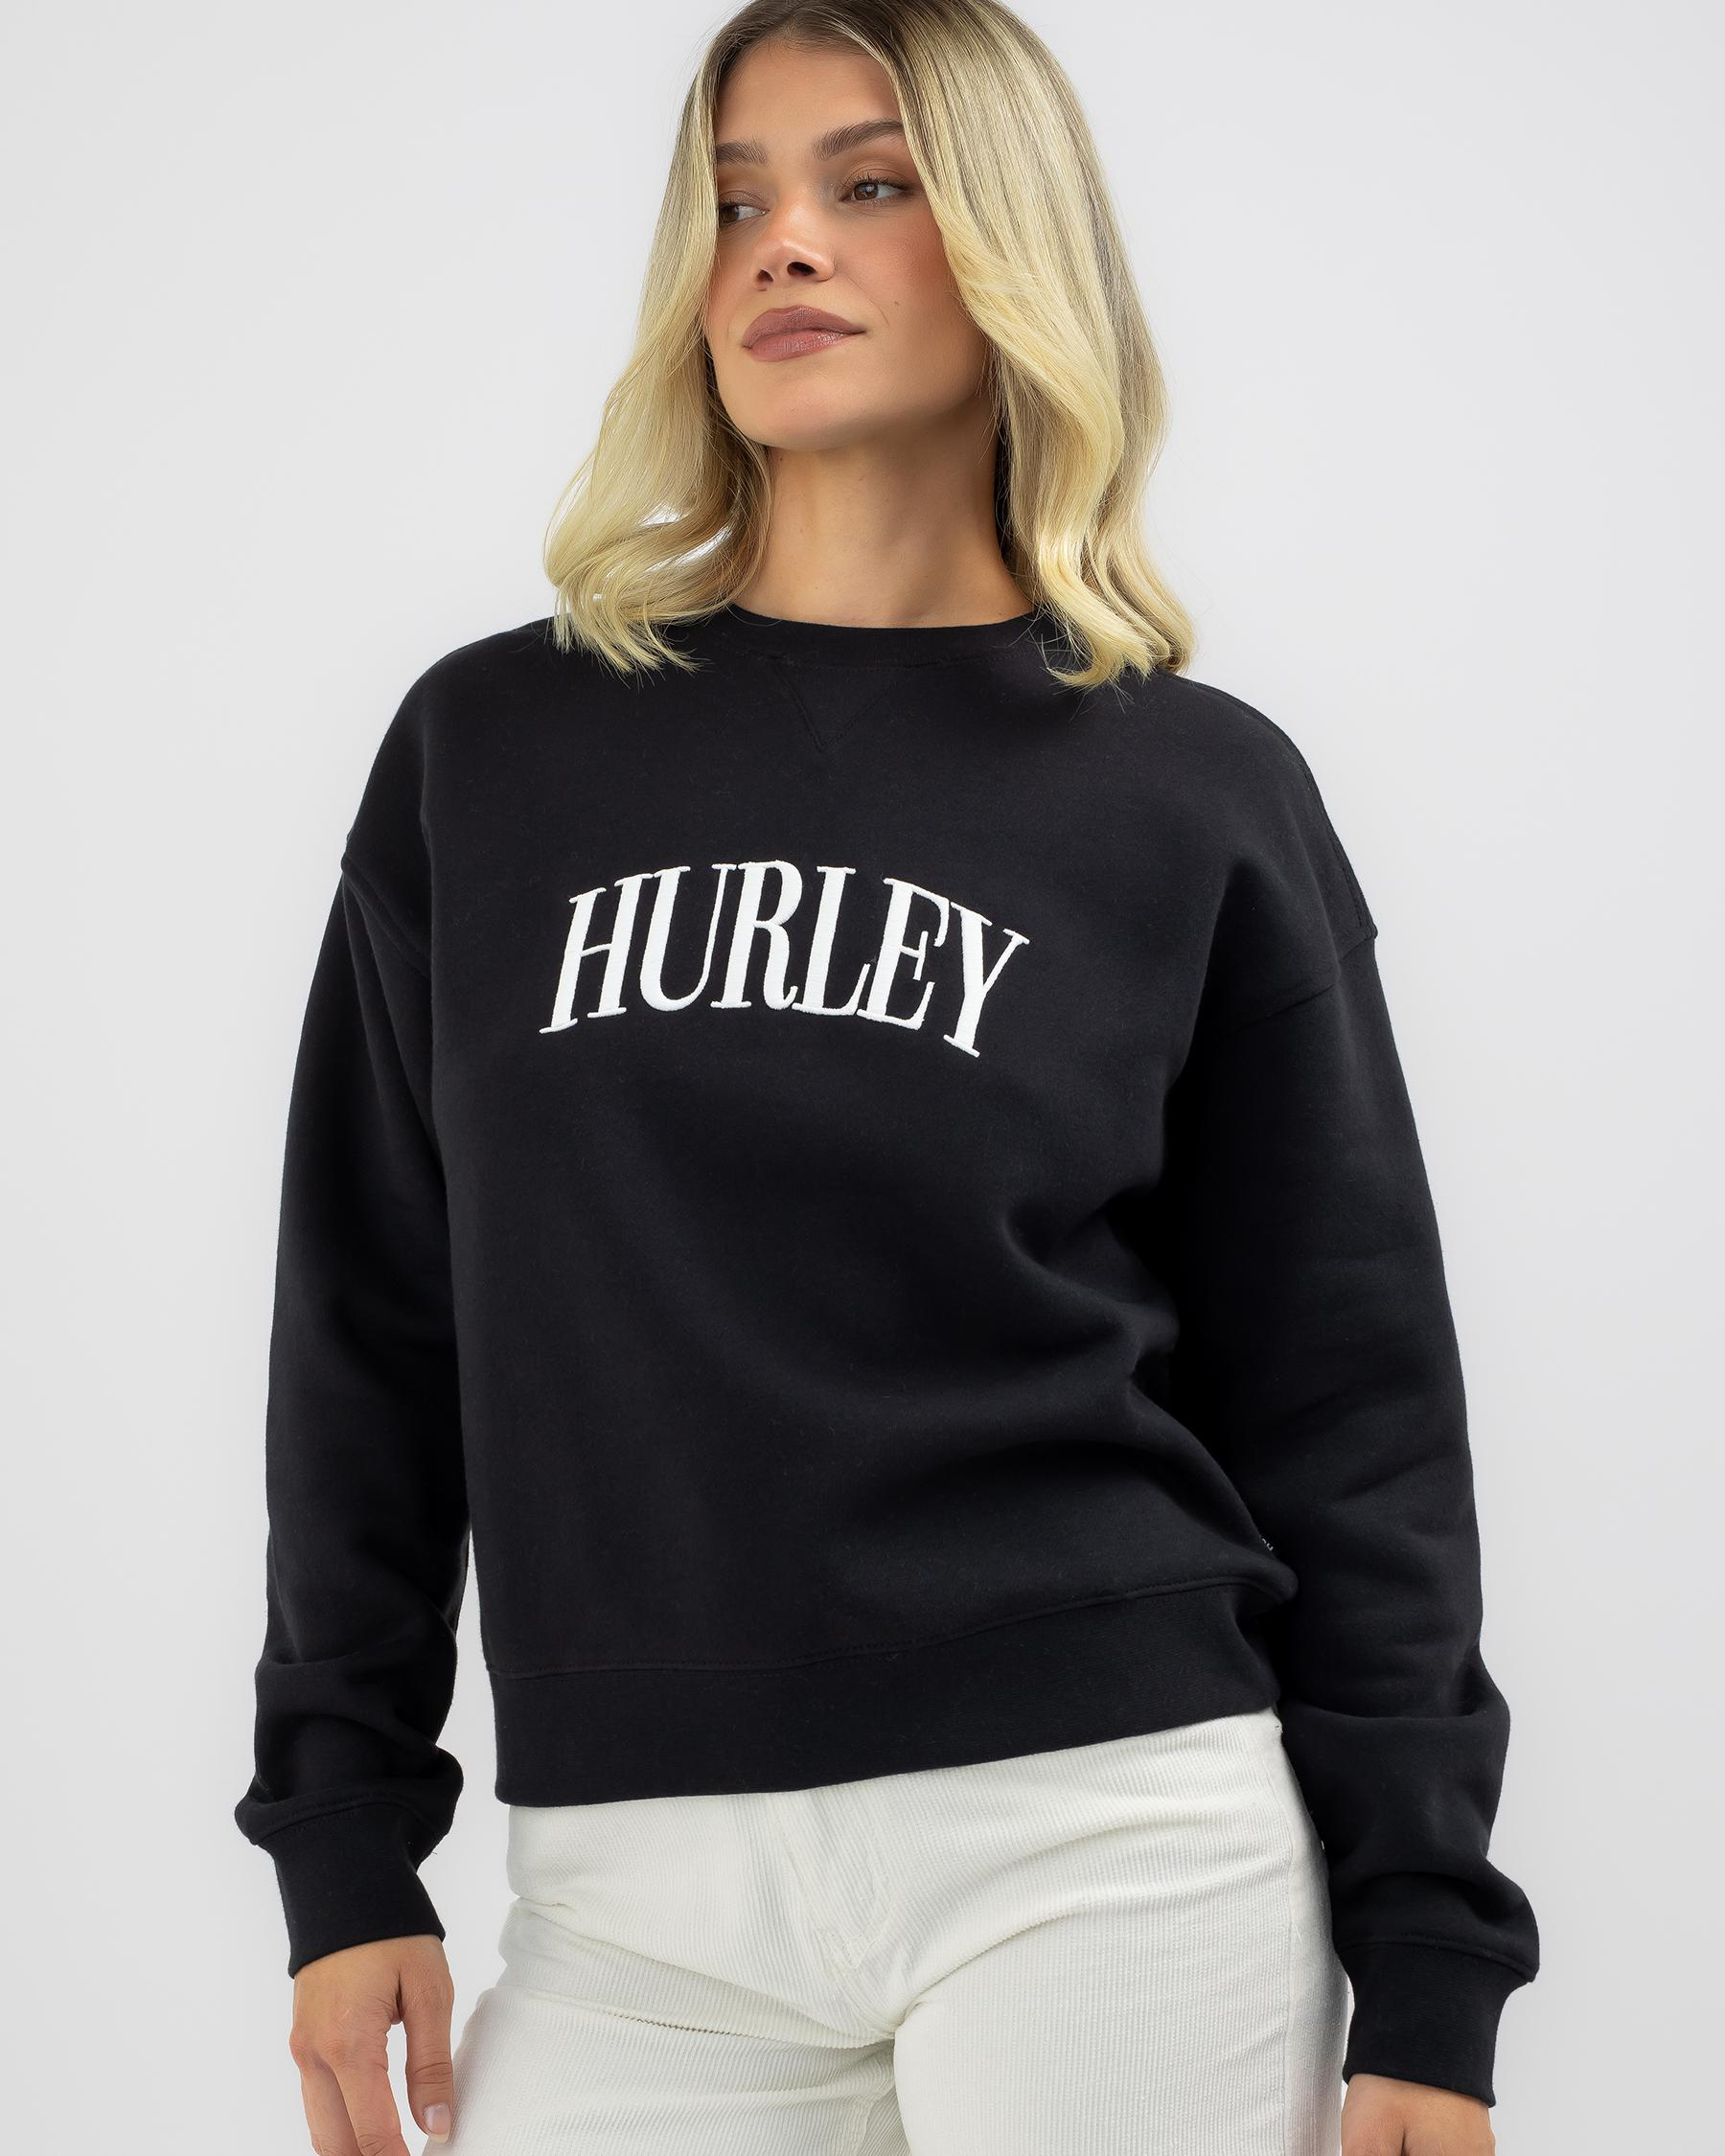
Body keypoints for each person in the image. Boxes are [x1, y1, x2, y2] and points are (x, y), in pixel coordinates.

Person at [234, 5, 1540, 2152]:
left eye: (870, 183)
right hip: (629, 1893)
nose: (782, 244)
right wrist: (344, 1828)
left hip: (1106, 1837)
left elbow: (1352, 1398)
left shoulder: (1192, 791)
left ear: (1013, 244)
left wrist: (1428, 1958)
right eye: (734, 196)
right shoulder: (493, 751)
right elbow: (372, 1317)